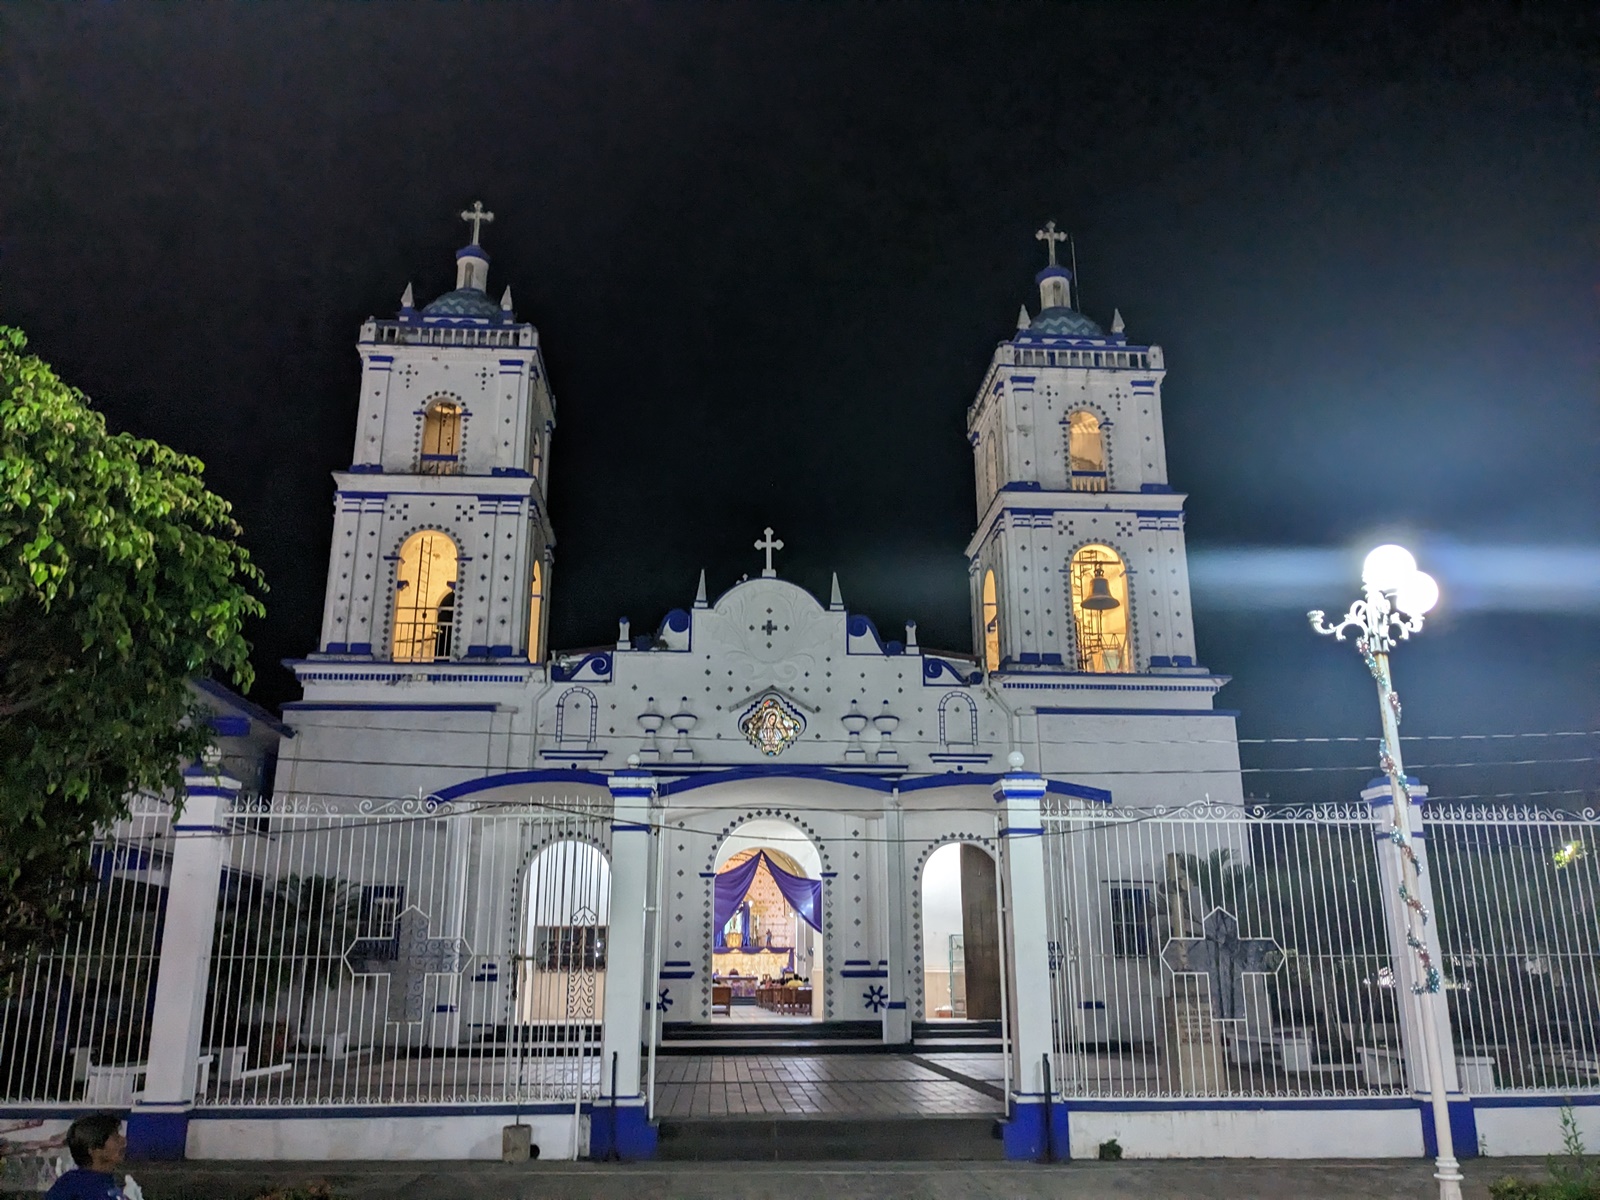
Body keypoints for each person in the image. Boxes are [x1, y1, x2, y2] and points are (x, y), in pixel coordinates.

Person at [46, 1113, 135, 1199]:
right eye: (116, 1138)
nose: (124, 1141)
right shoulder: (72, 1186)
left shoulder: (109, 1182)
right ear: (94, 1150)